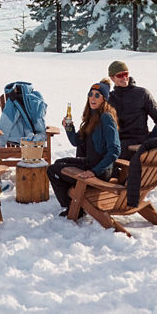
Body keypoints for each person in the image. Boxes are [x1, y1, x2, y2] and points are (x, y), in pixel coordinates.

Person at [47, 80, 121, 217]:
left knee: (53, 170)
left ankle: (74, 207)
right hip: (89, 163)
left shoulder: (106, 118)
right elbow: (76, 142)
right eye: (90, 94)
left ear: (104, 98)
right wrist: (69, 127)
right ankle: (74, 204)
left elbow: (115, 150)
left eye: (97, 95)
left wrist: (94, 171)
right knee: (57, 165)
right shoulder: (92, 117)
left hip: (99, 170)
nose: (93, 98)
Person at [107, 60, 157, 160]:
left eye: (126, 74)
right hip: (119, 140)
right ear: (112, 78)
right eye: (120, 75)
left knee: (107, 151)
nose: (124, 78)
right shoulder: (110, 98)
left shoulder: (141, 93)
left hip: (138, 141)